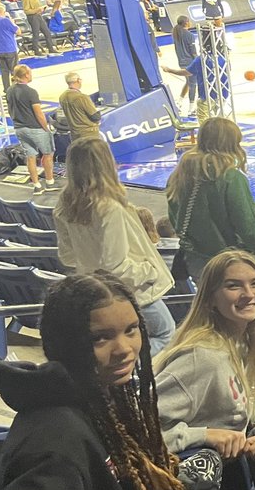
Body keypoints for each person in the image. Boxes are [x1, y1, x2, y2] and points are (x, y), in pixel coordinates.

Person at [0, 274, 248, 490]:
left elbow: (144, 470)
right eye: (100, 338)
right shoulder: (53, 437)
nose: (124, 349)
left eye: (131, 330)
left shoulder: (105, 397)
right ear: (67, 344)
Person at [153, 250, 255, 471]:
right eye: (233, 286)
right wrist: (204, 435)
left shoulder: (240, 342)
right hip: (214, 476)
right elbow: (139, 430)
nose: (248, 294)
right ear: (210, 299)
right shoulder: (204, 357)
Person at [55, 137, 176, 355]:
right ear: (106, 163)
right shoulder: (109, 208)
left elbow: (67, 256)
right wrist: (149, 271)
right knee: (165, 335)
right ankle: (130, 370)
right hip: (131, 291)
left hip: (94, 289)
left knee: (119, 343)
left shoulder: (64, 205)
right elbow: (116, 266)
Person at [164, 117, 255, 282]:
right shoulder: (231, 178)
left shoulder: (178, 175)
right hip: (228, 262)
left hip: (194, 261)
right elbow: (247, 225)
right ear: (230, 144)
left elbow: (174, 217)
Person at [7, 64, 57, 194]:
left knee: (30, 157)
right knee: (48, 154)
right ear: (26, 75)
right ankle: (50, 182)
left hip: (19, 128)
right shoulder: (31, 92)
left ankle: (37, 185)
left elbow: (10, 110)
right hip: (35, 128)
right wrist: (46, 128)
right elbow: (38, 113)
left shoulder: (10, 90)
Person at [58, 72, 101, 141]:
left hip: (74, 135)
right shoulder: (82, 97)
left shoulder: (62, 97)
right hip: (89, 134)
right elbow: (95, 116)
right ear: (78, 80)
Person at [0, 3, 20, 92]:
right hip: (9, 48)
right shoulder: (6, 20)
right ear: (4, 12)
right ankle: (16, 89)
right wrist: (12, 21)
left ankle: (7, 89)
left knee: (4, 71)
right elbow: (18, 32)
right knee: (14, 70)